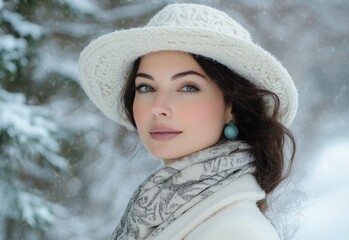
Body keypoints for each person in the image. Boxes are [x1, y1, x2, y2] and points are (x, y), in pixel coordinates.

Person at [78, 3, 298, 240]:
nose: (158, 107)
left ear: (231, 106)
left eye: (187, 87)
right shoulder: (161, 212)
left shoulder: (236, 232)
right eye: (145, 87)